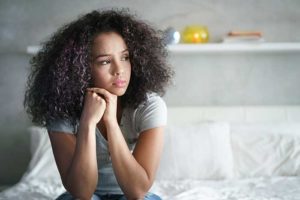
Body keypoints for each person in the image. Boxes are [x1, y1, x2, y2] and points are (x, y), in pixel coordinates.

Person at [24, 9, 173, 200]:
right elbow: (81, 192)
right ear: (82, 69)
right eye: (105, 62)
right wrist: (87, 123)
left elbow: (137, 191)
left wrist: (110, 121)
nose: (119, 70)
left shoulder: (150, 105)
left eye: (125, 57)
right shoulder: (60, 109)